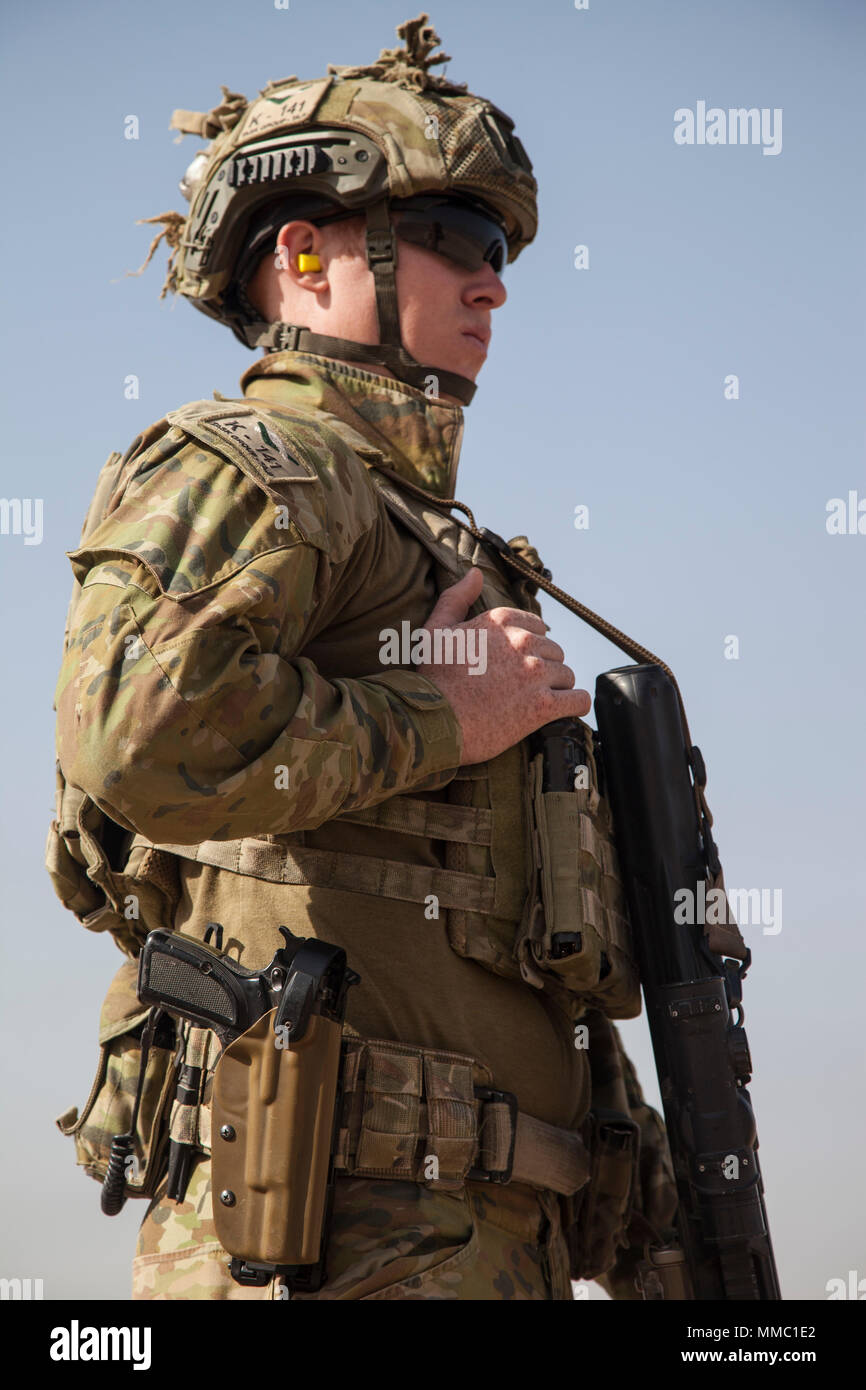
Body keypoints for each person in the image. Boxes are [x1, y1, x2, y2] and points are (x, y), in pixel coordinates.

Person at [49, 13, 678, 1300]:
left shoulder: (441, 543)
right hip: (319, 1237)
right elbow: (130, 734)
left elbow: (498, 958)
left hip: (493, 1243)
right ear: (303, 254)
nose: (493, 282)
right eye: (458, 241)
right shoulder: (255, 470)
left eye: (497, 249)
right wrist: (442, 717)